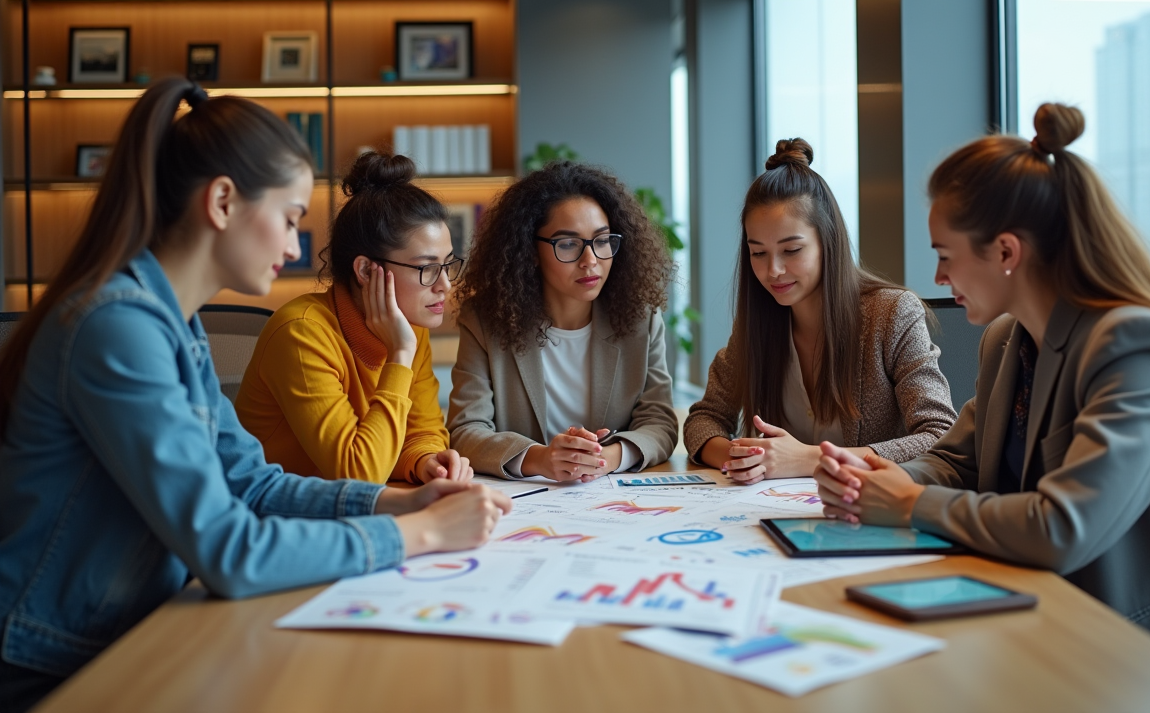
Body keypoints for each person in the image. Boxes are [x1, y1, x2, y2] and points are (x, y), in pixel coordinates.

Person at [0, 79, 510, 712]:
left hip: (135, 631)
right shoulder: (118, 328)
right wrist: (423, 534)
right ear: (222, 202)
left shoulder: (171, 324)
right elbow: (227, 549)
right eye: (291, 218)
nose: (296, 246)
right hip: (54, 660)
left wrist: (398, 504)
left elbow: (255, 485)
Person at [815, 103, 1150, 657]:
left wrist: (906, 504)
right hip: (1039, 610)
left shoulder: (1138, 345)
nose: (939, 278)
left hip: (1140, 644)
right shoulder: (1006, 340)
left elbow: (1061, 529)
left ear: (1006, 252)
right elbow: (961, 462)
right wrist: (873, 476)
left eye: (945, 256)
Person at [685, 139, 956, 482]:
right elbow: (703, 419)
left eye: (792, 250)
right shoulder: (758, 322)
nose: (773, 271)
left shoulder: (891, 314)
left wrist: (809, 459)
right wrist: (746, 457)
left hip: (870, 512)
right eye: (758, 253)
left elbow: (939, 436)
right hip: (776, 512)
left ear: (827, 241)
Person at [236, 151, 470, 484]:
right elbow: (357, 473)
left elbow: (421, 430)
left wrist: (426, 460)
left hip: (347, 512)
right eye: (427, 269)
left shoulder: (410, 327)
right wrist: (400, 355)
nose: (445, 284)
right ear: (365, 270)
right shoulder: (302, 334)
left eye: (447, 264)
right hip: (277, 519)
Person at [448, 161, 678, 481]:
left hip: (611, 497)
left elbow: (660, 423)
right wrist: (541, 459)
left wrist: (604, 458)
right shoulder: (486, 321)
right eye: (568, 244)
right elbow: (465, 430)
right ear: (529, 250)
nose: (591, 261)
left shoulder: (642, 319)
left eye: (601, 240)